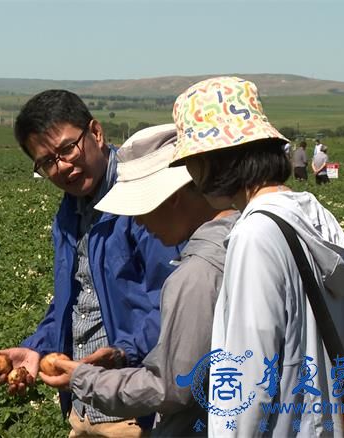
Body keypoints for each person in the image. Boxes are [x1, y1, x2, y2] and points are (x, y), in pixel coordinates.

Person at [170, 76, 344, 436]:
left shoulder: (255, 234)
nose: (191, 175)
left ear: (217, 159)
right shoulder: (314, 216)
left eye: (192, 160)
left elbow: (247, 376)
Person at [0, 90, 181, 437]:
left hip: (135, 410)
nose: (61, 166)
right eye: (47, 162)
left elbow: (176, 303)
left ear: (96, 133)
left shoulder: (143, 201)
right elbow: (74, 301)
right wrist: (36, 348)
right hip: (83, 409)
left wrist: (124, 352)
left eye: (67, 149)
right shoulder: (69, 211)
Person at [41, 124, 239, 437]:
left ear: (171, 198)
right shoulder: (246, 240)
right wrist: (123, 354)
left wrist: (84, 379)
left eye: (140, 209)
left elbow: (170, 388)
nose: (139, 221)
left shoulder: (196, 274)